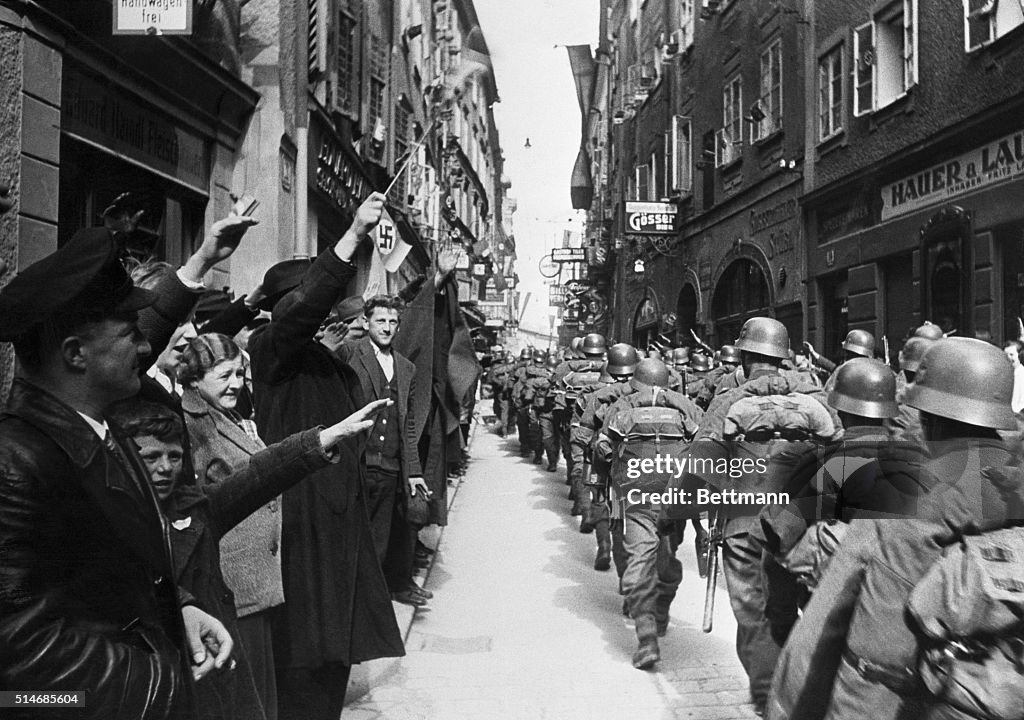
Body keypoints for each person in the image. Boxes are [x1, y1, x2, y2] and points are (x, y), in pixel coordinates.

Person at [0, 229, 234, 719]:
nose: (147, 346)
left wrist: (179, 611)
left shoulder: (99, 428)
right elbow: (19, 663)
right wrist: (162, 680)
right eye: (130, 332)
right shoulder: (16, 464)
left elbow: (114, 570)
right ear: (75, 355)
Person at [767, 338, 1024, 720]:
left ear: (928, 417)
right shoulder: (1013, 484)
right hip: (991, 695)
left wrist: (784, 707)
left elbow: (825, 623)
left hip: (881, 698)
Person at [109, 396, 388, 720]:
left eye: (174, 456)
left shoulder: (196, 509)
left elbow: (259, 476)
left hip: (211, 676)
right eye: (152, 457)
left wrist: (321, 440)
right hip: (148, 684)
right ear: (123, 457)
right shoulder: (104, 520)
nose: (165, 468)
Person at [247, 193, 404, 720]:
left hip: (336, 532)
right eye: (313, 305)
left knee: (331, 661)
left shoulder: (325, 361)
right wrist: (355, 234)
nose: (328, 317)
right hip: (299, 528)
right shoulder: (273, 347)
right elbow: (299, 312)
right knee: (302, 664)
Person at [663, 317, 839, 716]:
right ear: (783, 356)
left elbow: (698, 466)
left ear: (744, 357)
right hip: (805, 527)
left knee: (754, 617)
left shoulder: (729, 401)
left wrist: (678, 512)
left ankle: (769, 699)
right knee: (802, 610)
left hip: (745, 526)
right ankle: (801, 687)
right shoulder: (817, 396)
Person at [176, 333, 281, 718]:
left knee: (260, 694)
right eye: (224, 375)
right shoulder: (193, 424)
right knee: (244, 700)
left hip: (256, 583)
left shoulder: (231, 414)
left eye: (239, 373)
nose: (236, 383)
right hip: (232, 585)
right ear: (193, 380)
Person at [595, 358, 702, 669]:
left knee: (640, 562)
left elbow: (602, 450)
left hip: (636, 497)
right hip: (676, 497)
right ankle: (657, 617)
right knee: (665, 559)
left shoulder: (621, 406)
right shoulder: (686, 407)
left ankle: (647, 636)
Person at [337, 294, 431, 608]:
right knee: (350, 538)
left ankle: (369, 607)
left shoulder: (406, 368)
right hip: (355, 463)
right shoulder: (351, 353)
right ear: (366, 322)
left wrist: (414, 472)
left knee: (379, 541)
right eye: (381, 320)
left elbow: (409, 424)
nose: (387, 328)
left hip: (389, 469)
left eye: (393, 322)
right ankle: (347, 603)